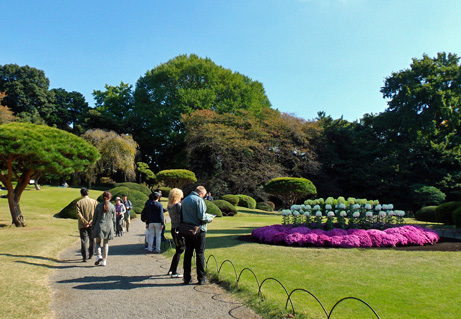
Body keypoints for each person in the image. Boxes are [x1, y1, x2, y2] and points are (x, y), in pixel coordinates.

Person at [182, 186, 214, 285]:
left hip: (187, 229)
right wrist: (209, 218)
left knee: (188, 253)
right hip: (199, 229)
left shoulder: (186, 200)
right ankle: (201, 277)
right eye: (204, 195)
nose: (204, 197)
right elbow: (201, 216)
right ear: (201, 193)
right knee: (199, 253)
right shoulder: (199, 201)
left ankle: (187, 277)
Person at [92, 191, 116, 266]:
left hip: (99, 225)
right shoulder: (112, 206)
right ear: (110, 198)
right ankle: (104, 260)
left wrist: (93, 226)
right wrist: (114, 228)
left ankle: (99, 255)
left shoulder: (99, 206)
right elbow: (114, 219)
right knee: (106, 244)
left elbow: (95, 217)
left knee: (98, 242)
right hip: (109, 226)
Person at [167, 188, 185, 278]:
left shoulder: (169, 205)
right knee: (180, 249)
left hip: (173, 228)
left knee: (178, 249)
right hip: (179, 228)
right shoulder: (178, 205)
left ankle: (171, 269)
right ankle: (174, 271)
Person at [76, 188, 98, 262]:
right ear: (88, 193)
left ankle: (84, 257)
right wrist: (91, 221)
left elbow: (79, 214)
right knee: (92, 239)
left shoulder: (79, 203)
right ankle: (91, 254)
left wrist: (85, 223)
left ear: (81, 194)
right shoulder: (94, 202)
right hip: (92, 224)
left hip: (82, 225)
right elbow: (96, 213)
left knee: (84, 240)